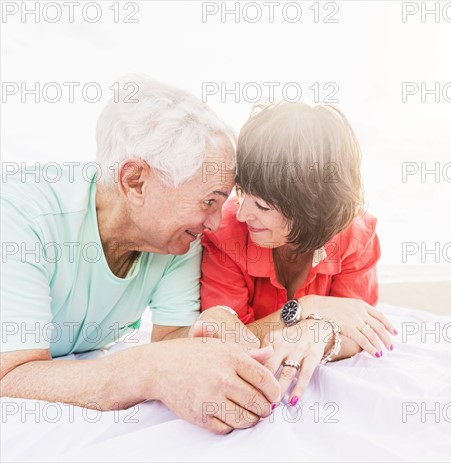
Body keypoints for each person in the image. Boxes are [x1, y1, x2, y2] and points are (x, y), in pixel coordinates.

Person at [0, 75, 281, 434]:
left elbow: (168, 340)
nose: (215, 223)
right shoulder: (20, 219)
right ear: (135, 181)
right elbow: (11, 374)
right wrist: (148, 370)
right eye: (209, 201)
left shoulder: (176, 240)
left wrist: (212, 326)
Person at [200, 102, 398, 408]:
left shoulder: (356, 235)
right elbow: (233, 341)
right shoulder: (225, 236)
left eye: (262, 207)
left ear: (311, 211)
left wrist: (320, 333)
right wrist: (308, 307)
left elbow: (360, 331)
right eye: (242, 193)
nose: (241, 214)